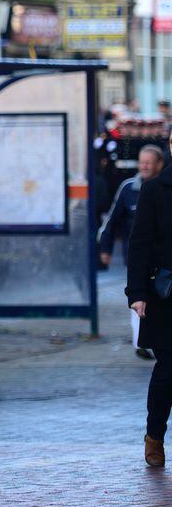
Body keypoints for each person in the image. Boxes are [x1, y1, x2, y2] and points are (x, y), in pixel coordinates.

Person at [126, 133, 172, 468]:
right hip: (166, 293)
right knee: (169, 369)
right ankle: (154, 435)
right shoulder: (156, 190)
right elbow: (139, 242)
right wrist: (137, 293)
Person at [101, 145, 165, 359]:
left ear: (159, 164)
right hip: (136, 257)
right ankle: (142, 344)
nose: (144, 166)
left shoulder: (162, 189)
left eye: (149, 162)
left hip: (161, 265)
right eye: (141, 161)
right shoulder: (128, 188)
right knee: (138, 298)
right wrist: (105, 247)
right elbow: (112, 220)